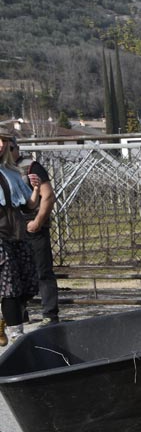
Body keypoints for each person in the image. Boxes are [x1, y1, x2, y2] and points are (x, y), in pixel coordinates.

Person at [9, 137, 58, 325]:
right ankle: (20, 313)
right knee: (16, 272)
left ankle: (50, 314)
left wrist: (38, 221)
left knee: (42, 271)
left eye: (10, 147)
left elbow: (48, 196)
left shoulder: (31, 167)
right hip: (13, 228)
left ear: (17, 148)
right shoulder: (4, 170)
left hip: (32, 225)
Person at [0, 128, 39, 345]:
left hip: (18, 236)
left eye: (4, 141)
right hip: (1, 238)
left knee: (29, 285)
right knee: (10, 287)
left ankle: (4, 320)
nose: (1, 145)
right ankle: (17, 335)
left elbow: (29, 205)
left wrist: (33, 188)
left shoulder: (12, 173)